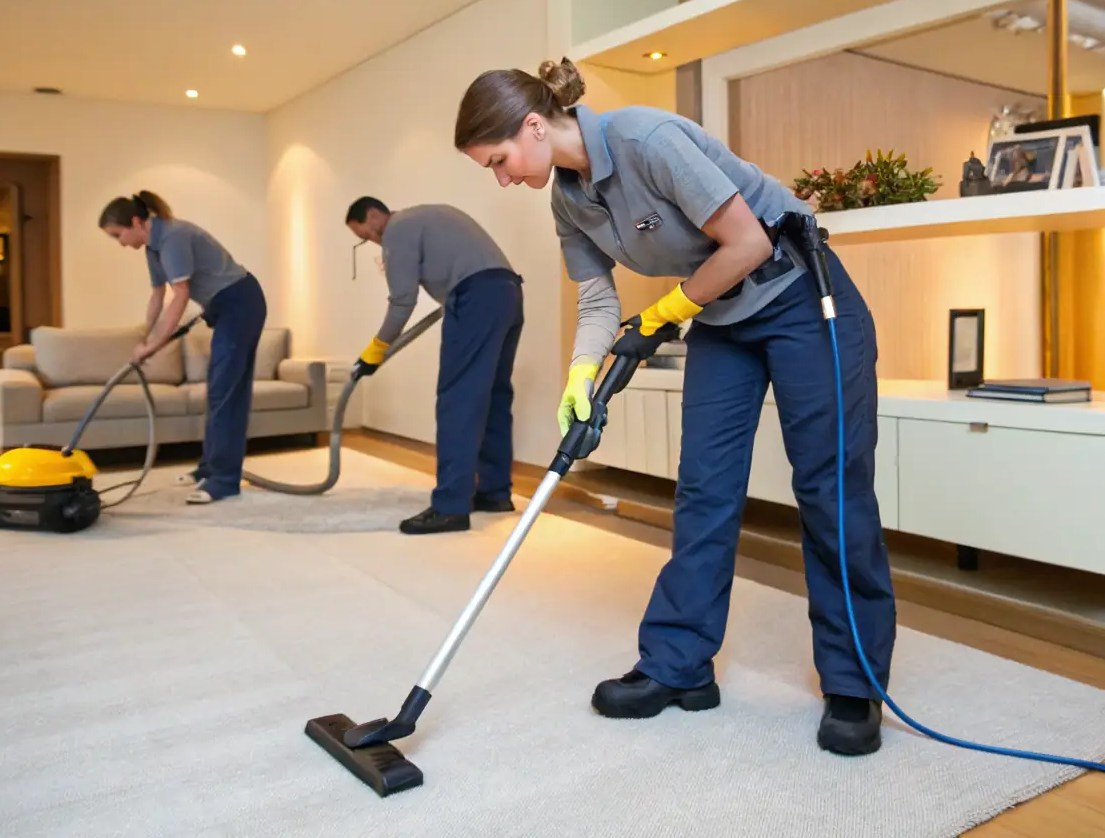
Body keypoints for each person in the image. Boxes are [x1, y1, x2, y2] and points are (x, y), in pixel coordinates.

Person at [452, 58, 897, 757]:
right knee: (703, 488)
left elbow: (747, 242)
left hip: (799, 296)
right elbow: (597, 300)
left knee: (829, 485)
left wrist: (663, 312)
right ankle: (678, 663)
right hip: (720, 314)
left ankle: (853, 680)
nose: (501, 178)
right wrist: (581, 373)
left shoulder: (646, 140)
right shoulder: (567, 199)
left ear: (533, 126)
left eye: (498, 161)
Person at [345, 197, 525, 535]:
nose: (373, 241)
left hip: (475, 298)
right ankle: (494, 493)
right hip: (508, 292)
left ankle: (450, 507)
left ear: (373, 215)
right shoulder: (427, 215)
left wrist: (375, 350)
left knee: (457, 401)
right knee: (493, 397)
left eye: (366, 234)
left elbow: (402, 301)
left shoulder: (397, 230)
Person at [99, 191, 267, 505]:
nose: (119, 243)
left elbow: (180, 296)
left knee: (226, 391)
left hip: (240, 303)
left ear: (135, 222)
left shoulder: (174, 237)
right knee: (218, 389)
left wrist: (155, 345)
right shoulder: (153, 247)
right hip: (224, 306)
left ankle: (224, 480)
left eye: (118, 235)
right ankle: (210, 468)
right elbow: (157, 296)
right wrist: (145, 338)